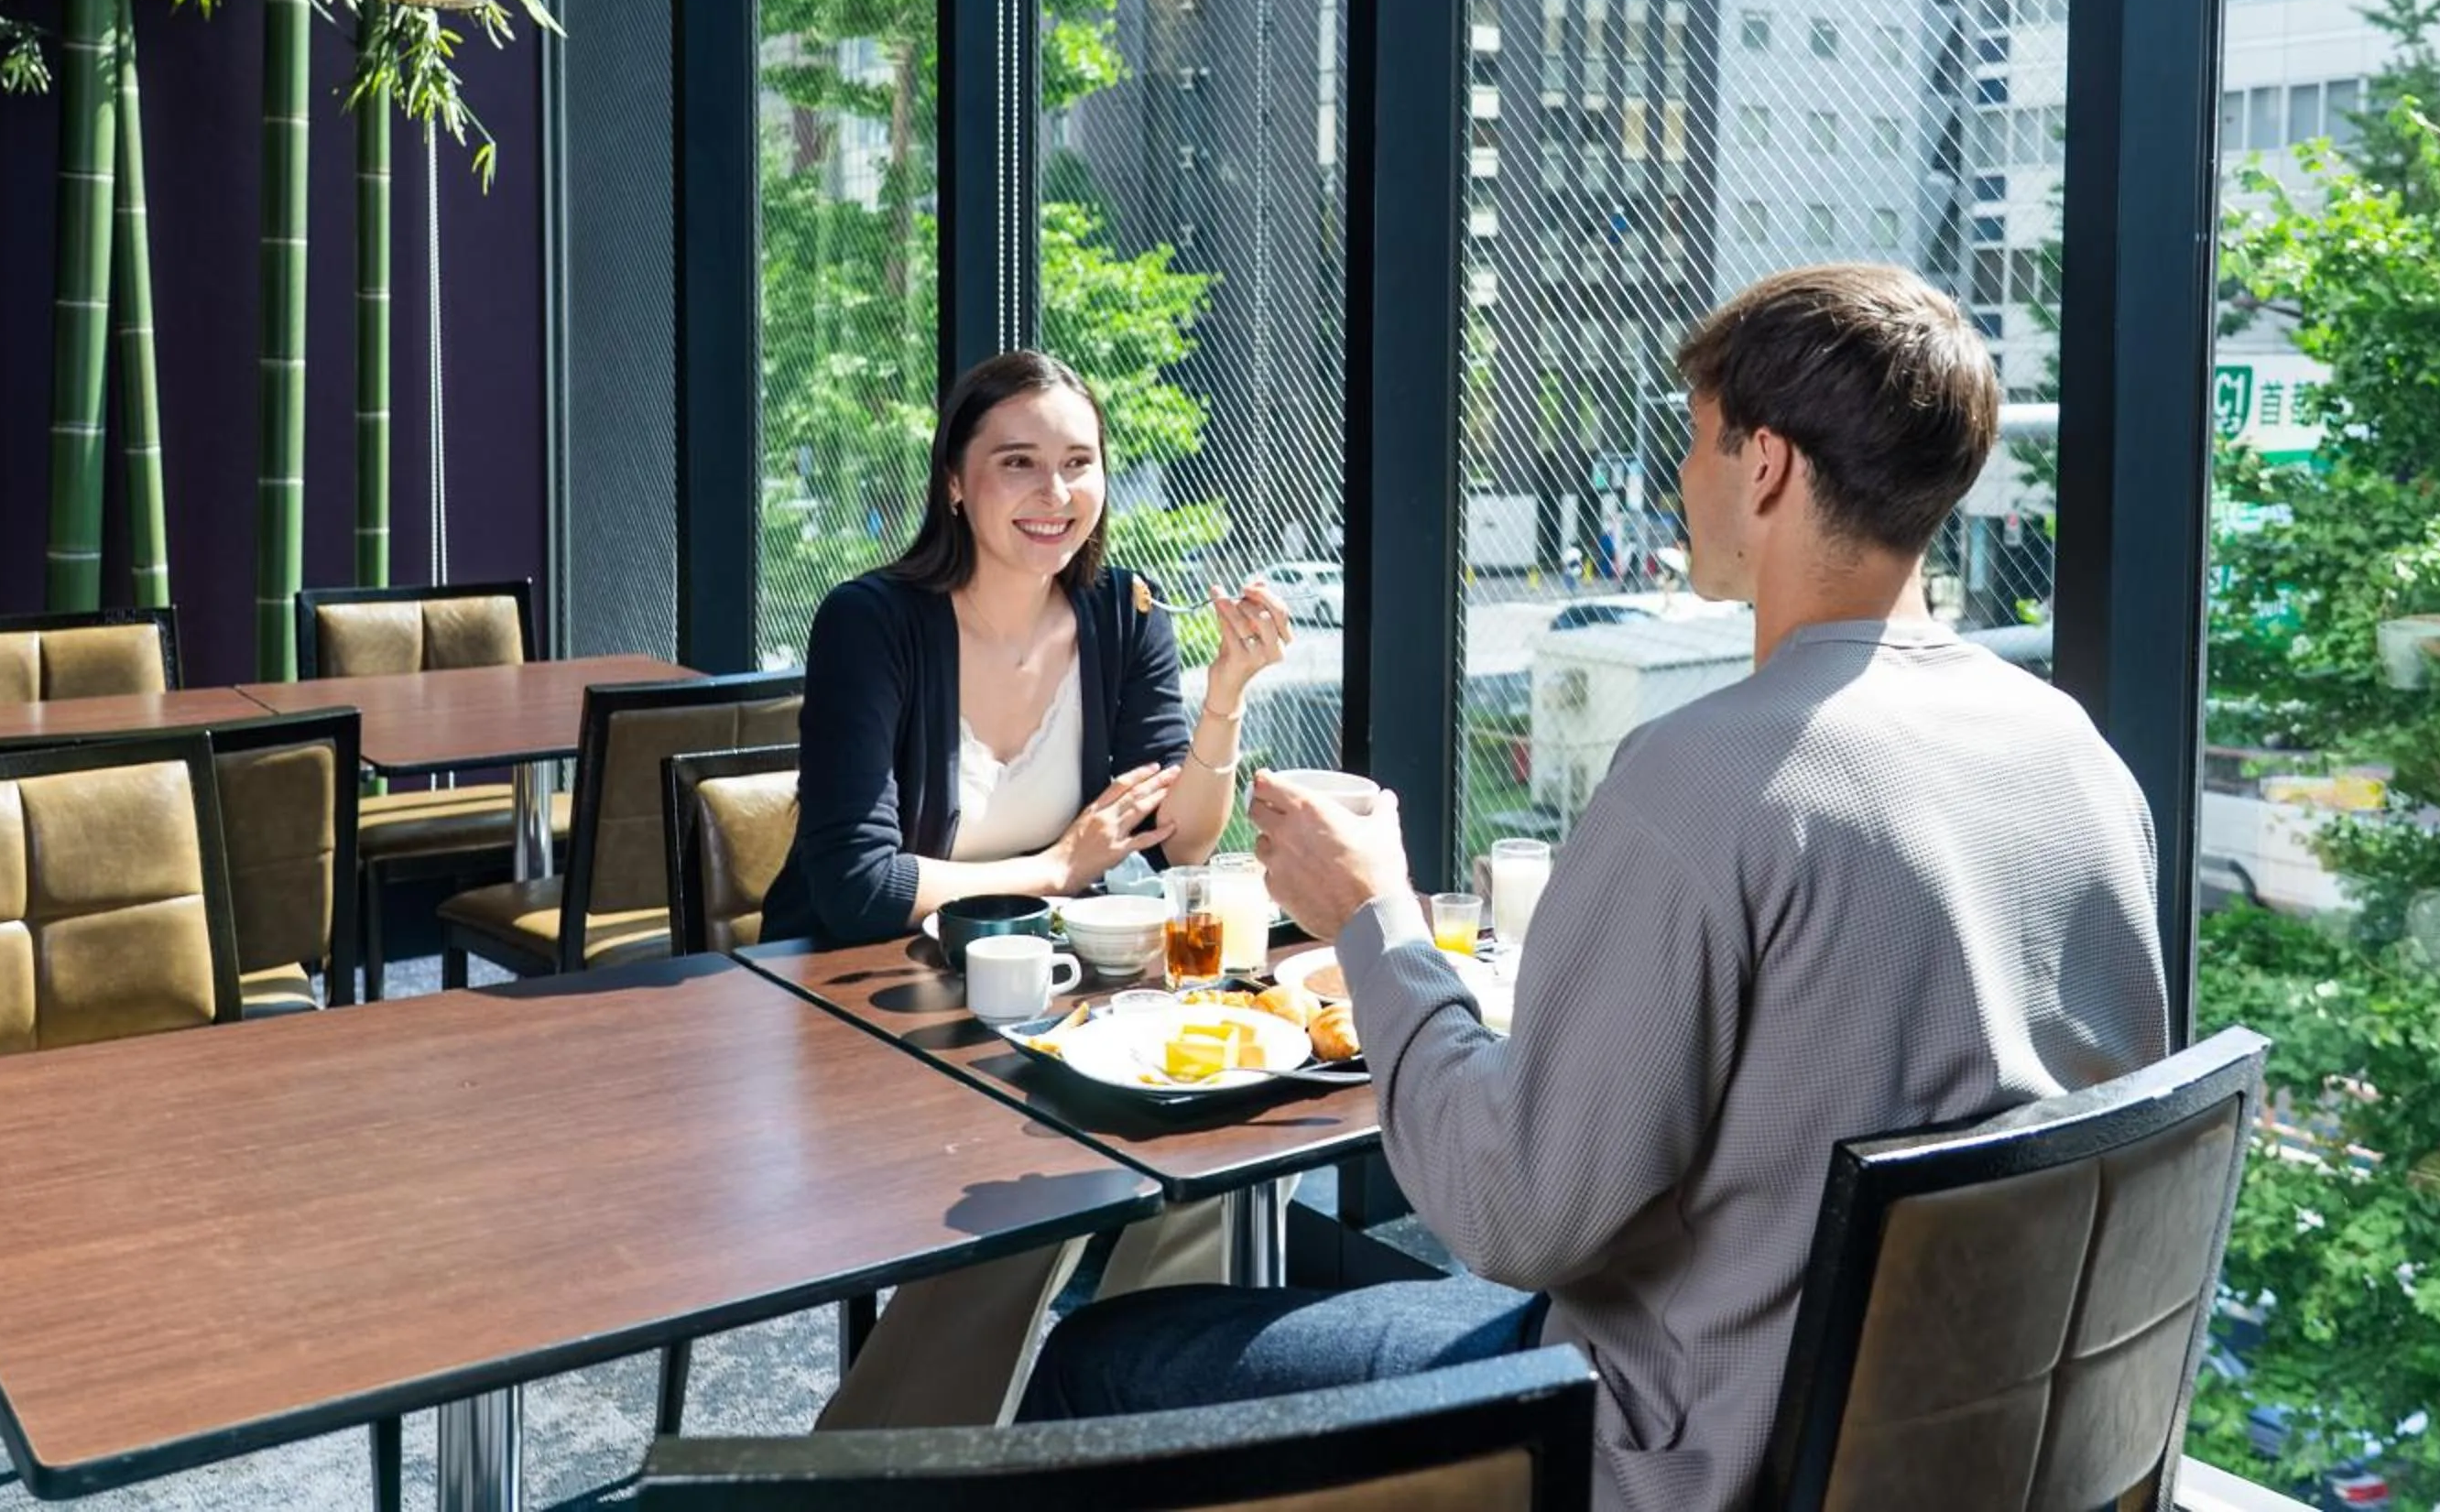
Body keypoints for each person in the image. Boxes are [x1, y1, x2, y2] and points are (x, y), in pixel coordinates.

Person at [1018, 266, 2171, 1512]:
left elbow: (1514, 1216)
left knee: (1099, 1364)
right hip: (1966, 1455)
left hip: (1664, 1451)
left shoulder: (1706, 776)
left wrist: (1372, 919)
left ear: (1766, 466)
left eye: (1695, 440)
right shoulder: (2079, 758)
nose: (1682, 478)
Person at [765, 348, 1292, 1428]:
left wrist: (1225, 694)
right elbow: (860, 886)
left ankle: (1128, 1438)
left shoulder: (1124, 613)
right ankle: (886, 1470)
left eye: (1078, 464)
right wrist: (1057, 869)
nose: (1056, 496)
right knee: (1043, 1187)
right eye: (1019, 464)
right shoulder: (872, 622)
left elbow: (1180, 844)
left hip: (1040, 997)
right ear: (955, 481)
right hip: (864, 1010)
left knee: (1206, 1147)